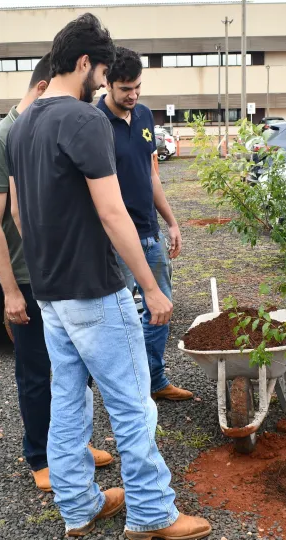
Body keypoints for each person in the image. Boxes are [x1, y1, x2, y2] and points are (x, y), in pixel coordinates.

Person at [5, 14, 210, 539]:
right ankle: (151, 513)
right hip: (94, 289)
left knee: (68, 403)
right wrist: (151, 285)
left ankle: (78, 507)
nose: (102, 79)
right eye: (99, 70)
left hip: (50, 293)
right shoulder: (83, 120)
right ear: (82, 64)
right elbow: (113, 213)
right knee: (132, 401)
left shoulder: (22, 123)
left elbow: (22, 215)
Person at [0, 53, 113, 494]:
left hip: (61, 274)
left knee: (75, 370)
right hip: (28, 279)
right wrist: (11, 291)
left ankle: (74, 446)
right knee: (36, 372)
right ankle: (39, 455)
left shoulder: (39, 127)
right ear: (40, 90)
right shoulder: (2, 140)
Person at [97, 46, 192, 402]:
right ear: (107, 83)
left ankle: (155, 379)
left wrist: (171, 222)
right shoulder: (94, 123)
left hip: (150, 236)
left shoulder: (145, 116)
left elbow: (151, 175)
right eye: (125, 89)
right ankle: (126, 392)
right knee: (119, 321)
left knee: (161, 309)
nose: (133, 95)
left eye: (137, 86)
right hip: (117, 242)